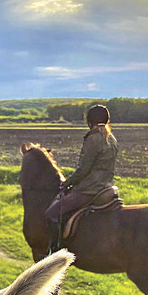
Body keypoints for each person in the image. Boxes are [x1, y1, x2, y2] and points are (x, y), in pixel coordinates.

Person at [45, 104, 118, 252]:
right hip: (106, 187)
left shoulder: (94, 139)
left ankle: (56, 250)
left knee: (51, 213)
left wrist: (67, 183)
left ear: (89, 121)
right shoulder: (111, 139)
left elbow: (84, 170)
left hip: (90, 189)